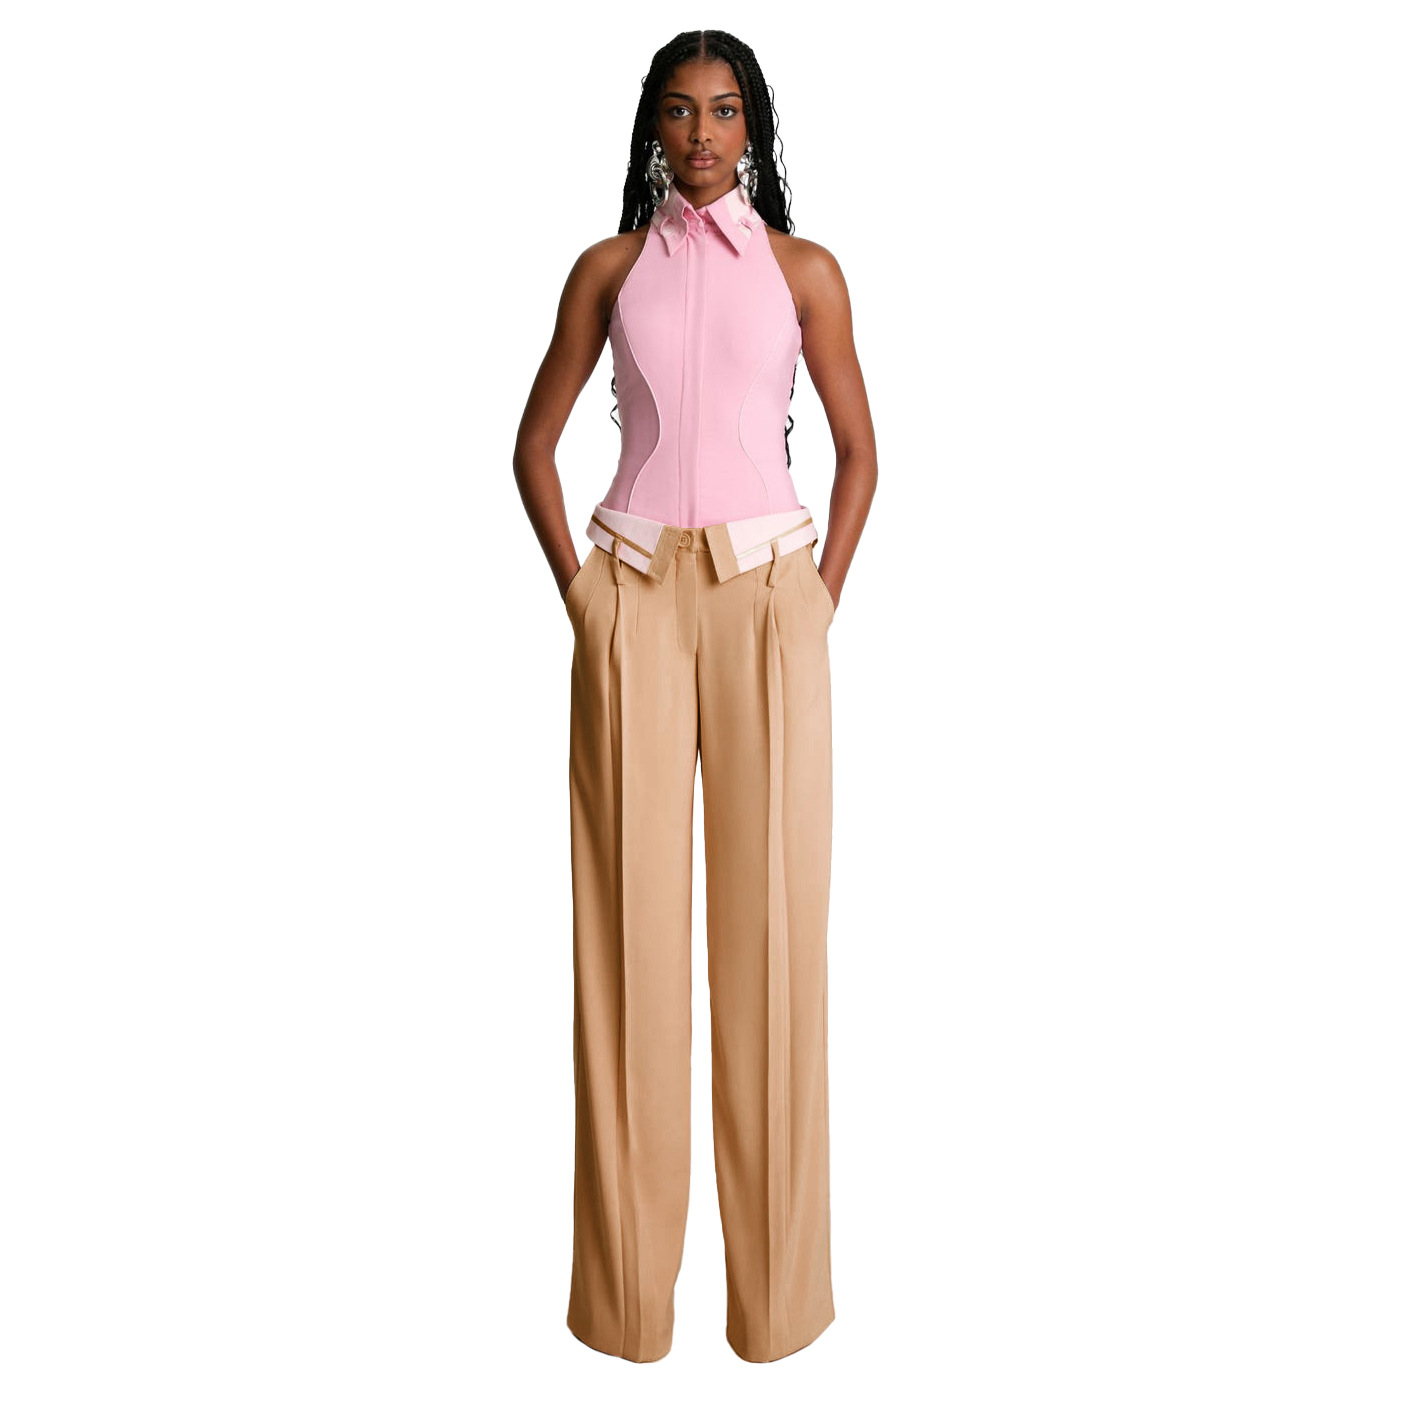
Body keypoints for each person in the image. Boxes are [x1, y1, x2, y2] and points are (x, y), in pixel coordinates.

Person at [514, 30, 877, 1364]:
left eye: (725, 111)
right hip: (633, 597)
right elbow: (533, 445)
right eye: (680, 112)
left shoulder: (804, 271)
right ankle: (624, 1310)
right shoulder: (608, 272)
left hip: (771, 601)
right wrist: (584, 594)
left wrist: (816, 598)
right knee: (628, 948)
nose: (704, 134)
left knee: (773, 941)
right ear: (652, 130)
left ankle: (775, 1309)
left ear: (754, 128)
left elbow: (860, 453)